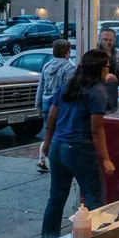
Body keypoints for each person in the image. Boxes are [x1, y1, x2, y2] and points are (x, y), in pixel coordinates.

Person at [40, 49, 115, 238]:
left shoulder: (67, 85)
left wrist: (46, 144)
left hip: (58, 147)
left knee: (55, 198)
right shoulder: (98, 91)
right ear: (98, 68)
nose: (108, 70)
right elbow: (96, 129)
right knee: (95, 199)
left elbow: (51, 117)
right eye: (107, 66)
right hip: (80, 150)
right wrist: (106, 159)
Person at [35, 39, 75, 172]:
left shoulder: (46, 66)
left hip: (46, 102)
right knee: (59, 134)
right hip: (60, 105)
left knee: (48, 130)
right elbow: (69, 90)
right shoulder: (69, 68)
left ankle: (42, 158)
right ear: (67, 52)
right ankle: (56, 162)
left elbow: (40, 87)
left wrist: (38, 105)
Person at [97, 28, 119, 114]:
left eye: (110, 40)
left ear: (114, 40)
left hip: (113, 97)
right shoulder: (95, 55)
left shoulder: (116, 54)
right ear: (100, 39)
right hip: (99, 97)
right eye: (105, 39)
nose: (108, 42)